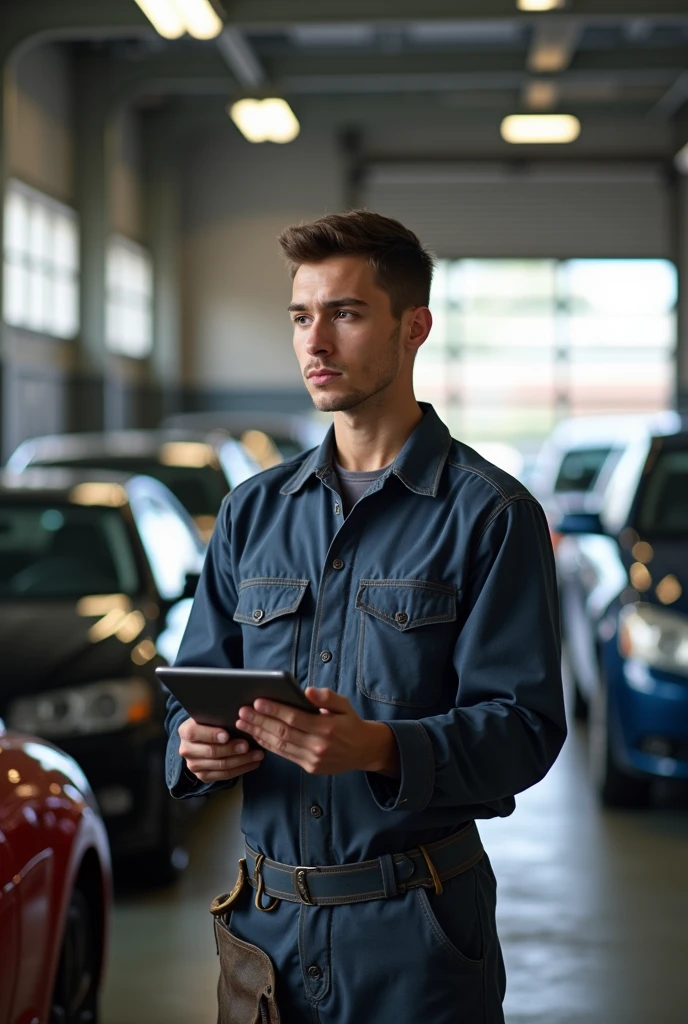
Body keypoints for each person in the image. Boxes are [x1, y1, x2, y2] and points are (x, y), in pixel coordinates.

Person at [164, 210, 567, 1024]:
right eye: (301, 317)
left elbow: (525, 729)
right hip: (263, 934)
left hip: (414, 936)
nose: (316, 343)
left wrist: (383, 748)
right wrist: (192, 744)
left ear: (413, 327)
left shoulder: (489, 515)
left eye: (345, 314)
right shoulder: (250, 515)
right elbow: (192, 690)